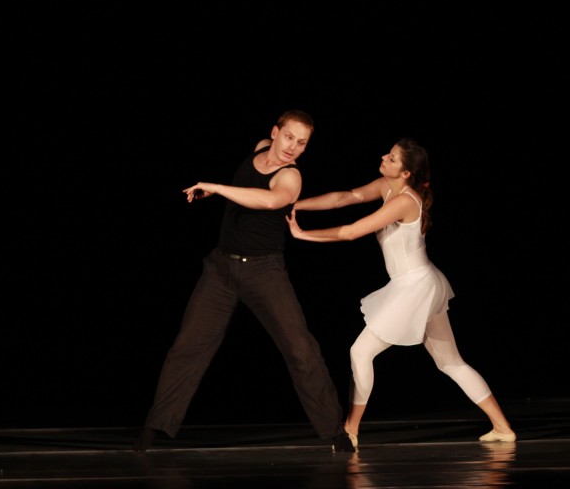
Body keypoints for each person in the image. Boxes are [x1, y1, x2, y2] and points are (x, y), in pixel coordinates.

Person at [134, 109, 356, 454]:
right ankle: (154, 429)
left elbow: (270, 200)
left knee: (300, 348)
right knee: (187, 348)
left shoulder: (291, 176)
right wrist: (216, 194)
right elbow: (249, 188)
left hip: (264, 272)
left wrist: (216, 188)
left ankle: (334, 431)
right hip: (220, 270)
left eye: (302, 143)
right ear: (275, 133)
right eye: (289, 137)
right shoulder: (260, 147)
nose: (293, 147)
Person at [285, 138, 516, 447]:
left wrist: (302, 234)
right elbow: (346, 197)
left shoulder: (405, 200)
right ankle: (503, 428)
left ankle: (351, 429)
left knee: (360, 352)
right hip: (421, 282)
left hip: (415, 287)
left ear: (406, 173)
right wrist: (294, 204)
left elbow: (352, 231)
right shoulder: (386, 185)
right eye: (389, 154)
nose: (384, 157)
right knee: (450, 362)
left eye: (392, 158)